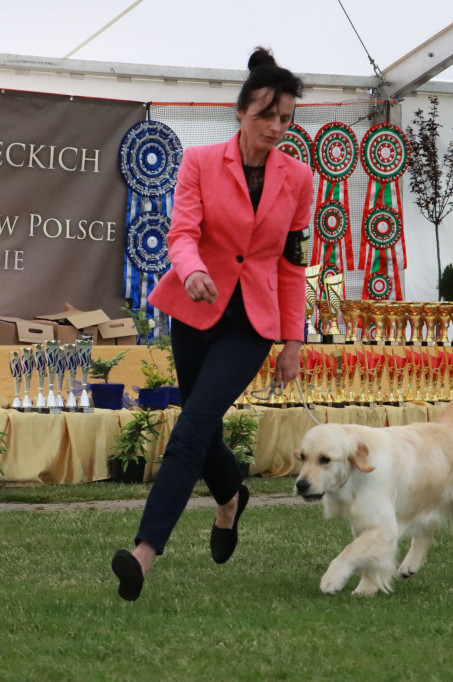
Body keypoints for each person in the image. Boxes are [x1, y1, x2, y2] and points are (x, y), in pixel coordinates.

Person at [111, 47, 314, 601]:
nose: (277, 128)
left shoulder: (299, 179)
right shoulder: (201, 162)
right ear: (241, 112)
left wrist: (292, 341)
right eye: (266, 116)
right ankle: (230, 498)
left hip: (253, 324)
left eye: (286, 119)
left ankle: (144, 553)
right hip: (196, 312)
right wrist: (193, 269)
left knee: (191, 429)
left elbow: (293, 266)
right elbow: (181, 233)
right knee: (199, 426)